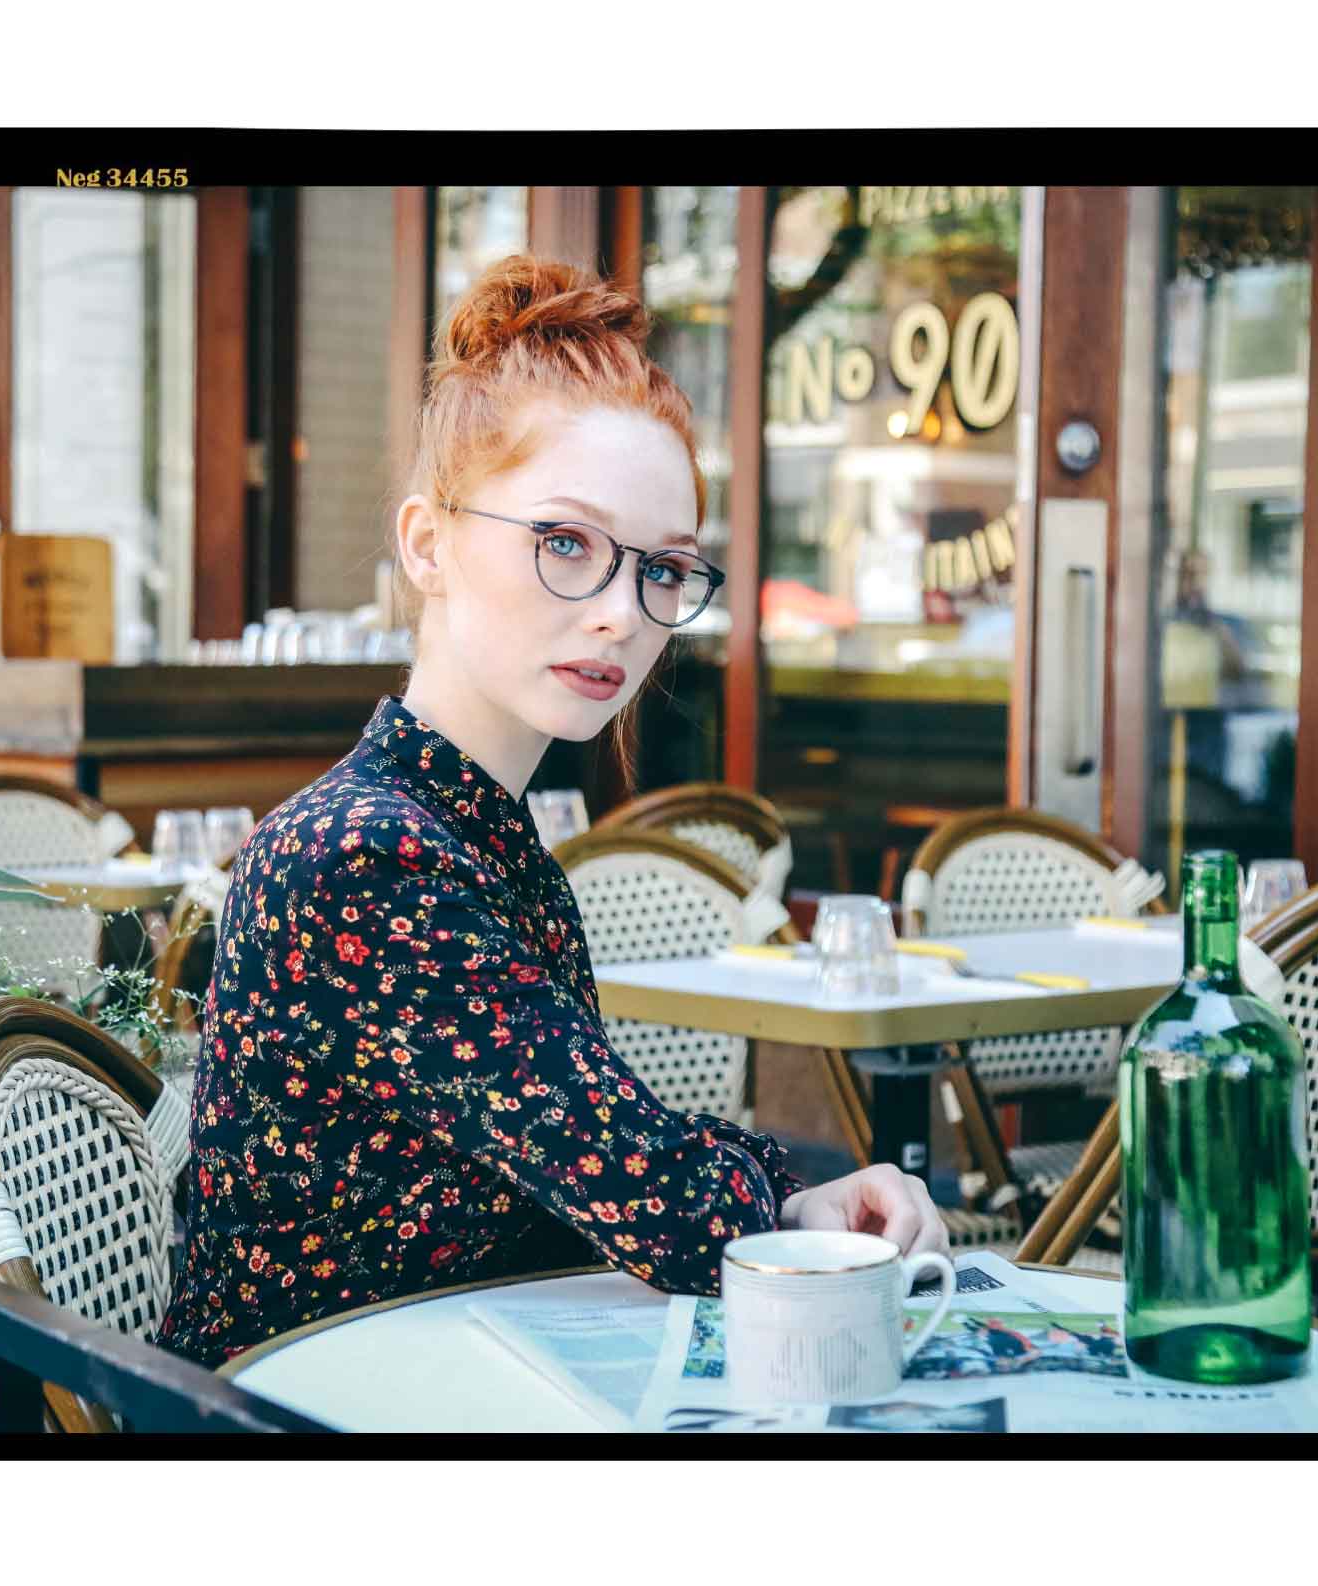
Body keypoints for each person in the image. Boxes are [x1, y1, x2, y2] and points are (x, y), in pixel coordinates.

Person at [156, 256, 947, 1369]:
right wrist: (798, 1197)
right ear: (428, 542)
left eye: (663, 568)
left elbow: (594, 1138)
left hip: (464, 1368)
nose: (623, 615)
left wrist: (794, 1192)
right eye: (566, 542)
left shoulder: (473, 831)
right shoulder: (364, 853)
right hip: (302, 1400)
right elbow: (630, 1178)